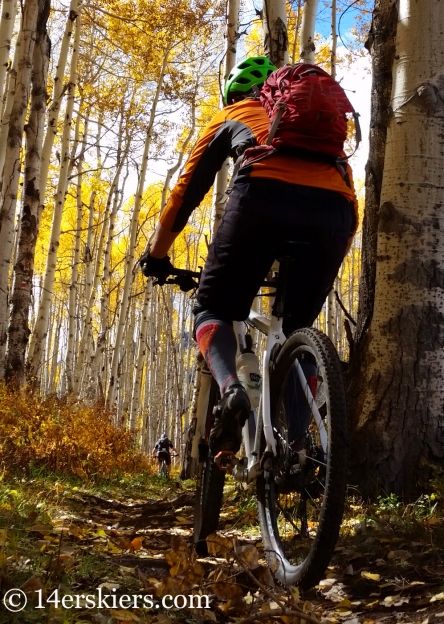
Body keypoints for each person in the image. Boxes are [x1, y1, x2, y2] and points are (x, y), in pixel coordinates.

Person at [140, 56, 358, 456]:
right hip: (336, 216)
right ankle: (301, 447)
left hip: (263, 197)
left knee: (211, 308)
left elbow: (186, 193)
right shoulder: (319, 132)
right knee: (295, 328)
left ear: (233, 94)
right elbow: (347, 193)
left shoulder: (233, 113)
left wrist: (157, 255)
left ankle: (232, 390)